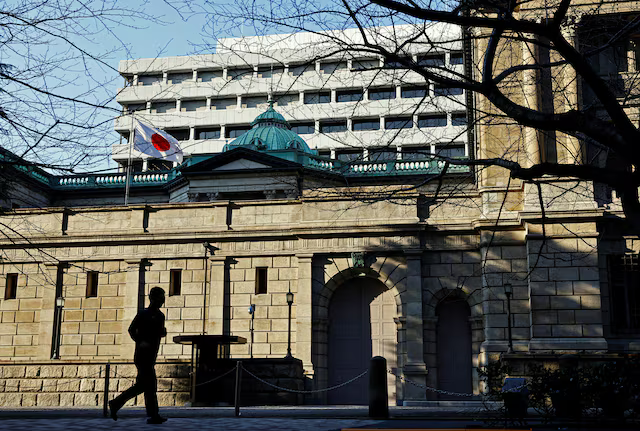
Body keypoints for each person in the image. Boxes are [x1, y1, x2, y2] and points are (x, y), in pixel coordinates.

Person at [109, 286, 168, 424]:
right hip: (142, 356)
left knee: (143, 386)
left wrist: (162, 333)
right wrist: (141, 341)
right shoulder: (143, 314)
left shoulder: (160, 316)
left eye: (163, 297)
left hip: (152, 355)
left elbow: (159, 332)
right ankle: (153, 415)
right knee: (150, 386)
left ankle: (116, 403)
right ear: (153, 298)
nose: (162, 300)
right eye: (160, 297)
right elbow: (131, 329)